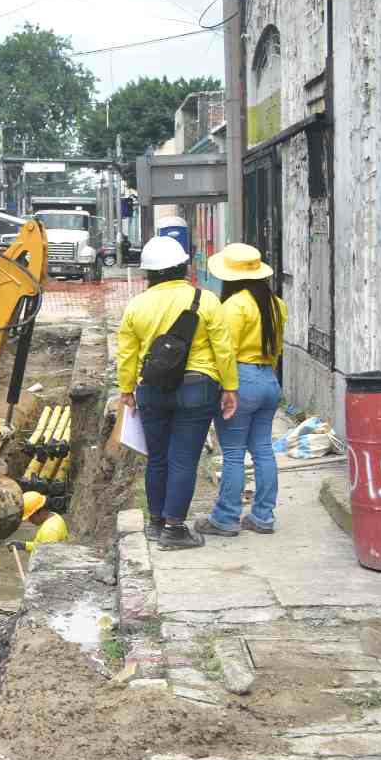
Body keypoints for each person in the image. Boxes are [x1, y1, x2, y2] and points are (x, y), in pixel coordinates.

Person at [116, 235, 239, 549]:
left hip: (151, 389)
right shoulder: (206, 299)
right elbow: (223, 349)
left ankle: (156, 523)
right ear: (184, 266)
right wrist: (230, 387)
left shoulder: (136, 306)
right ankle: (174, 530)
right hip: (197, 387)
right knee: (183, 460)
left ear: (148, 273)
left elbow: (127, 354)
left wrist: (126, 389)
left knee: (157, 458)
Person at [204, 243, 287, 535]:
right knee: (263, 449)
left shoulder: (234, 306)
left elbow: (226, 352)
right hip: (269, 380)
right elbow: (275, 350)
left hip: (241, 380)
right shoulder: (276, 304)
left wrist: (227, 388)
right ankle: (263, 516)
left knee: (235, 453)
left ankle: (226, 518)